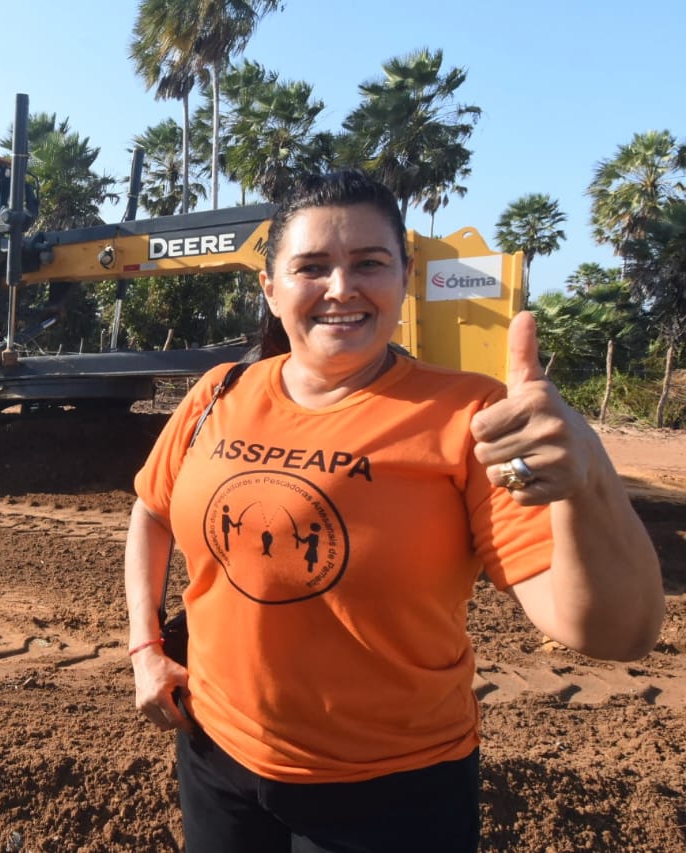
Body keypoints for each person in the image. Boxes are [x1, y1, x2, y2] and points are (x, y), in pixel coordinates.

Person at [123, 170, 664, 852]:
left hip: (391, 793)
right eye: (312, 267)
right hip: (216, 757)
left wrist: (589, 478)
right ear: (271, 288)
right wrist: (146, 648)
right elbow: (152, 511)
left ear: (404, 279)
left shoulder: (469, 416)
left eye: (369, 264)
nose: (341, 287)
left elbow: (612, 632)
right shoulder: (218, 391)